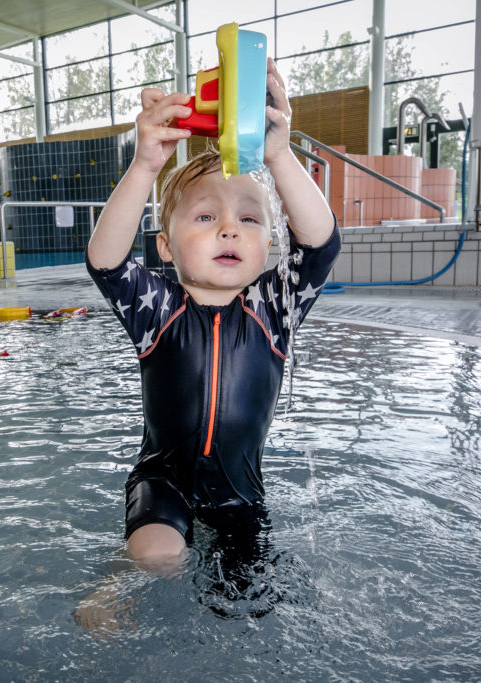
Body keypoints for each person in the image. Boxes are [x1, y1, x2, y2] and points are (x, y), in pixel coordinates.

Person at [77, 58, 339, 628]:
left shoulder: (274, 309)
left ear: (270, 243)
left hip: (240, 493)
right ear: (166, 248)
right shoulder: (159, 310)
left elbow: (319, 246)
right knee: (157, 555)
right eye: (204, 216)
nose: (229, 228)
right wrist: (147, 165)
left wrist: (279, 154)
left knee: (246, 604)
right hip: (162, 479)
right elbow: (106, 260)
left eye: (249, 218)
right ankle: (115, 590)